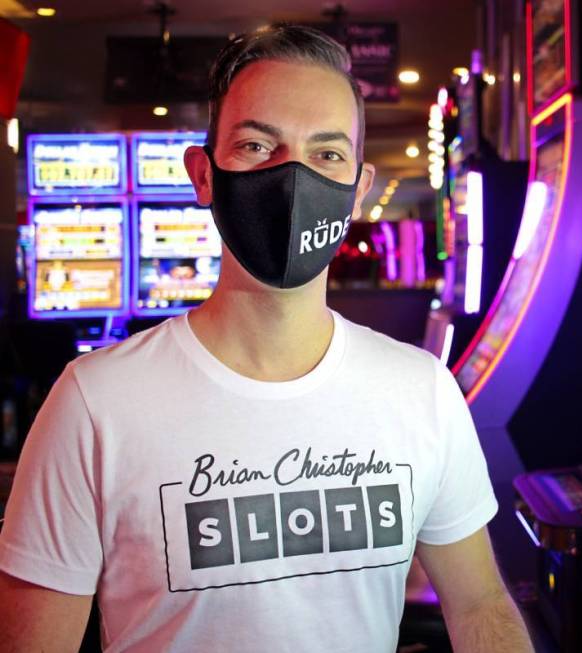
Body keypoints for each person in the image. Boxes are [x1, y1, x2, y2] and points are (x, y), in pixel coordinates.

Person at [0, 25, 534, 653]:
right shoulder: (94, 404)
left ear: (358, 190)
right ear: (204, 175)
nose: (293, 178)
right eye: (257, 145)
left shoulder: (423, 392)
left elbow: (479, 606)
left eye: (327, 154)